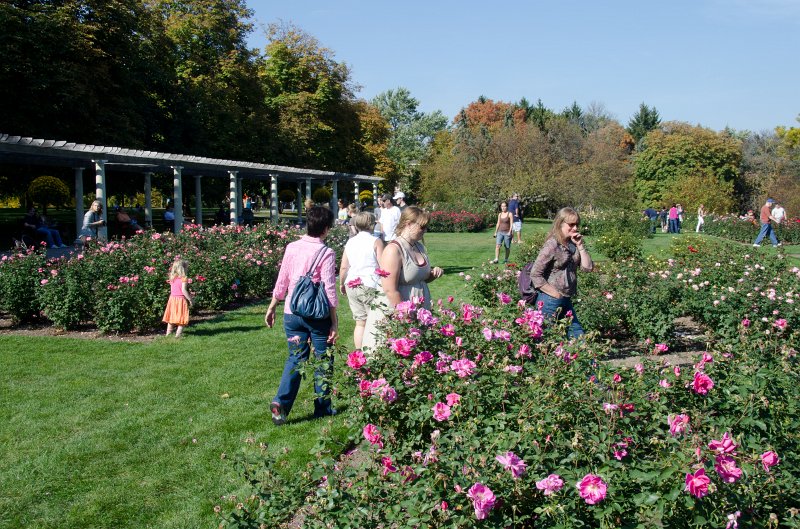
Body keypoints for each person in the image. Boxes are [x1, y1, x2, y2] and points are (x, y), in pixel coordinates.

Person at [265, 206, 338, 425]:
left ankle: (281, 403)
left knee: (296, 358)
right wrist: (334, 322)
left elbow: (282, 279)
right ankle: (323, 407)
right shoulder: (327, 252)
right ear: (326, 228)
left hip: (292, 312)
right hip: (317, 315)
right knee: (323, 359)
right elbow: (329, 289)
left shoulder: (292, 247)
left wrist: (272, 305)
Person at [530, 207, 594, 339]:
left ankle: (587, 360)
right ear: (560, 224)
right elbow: (535, 274)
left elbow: (587, 268)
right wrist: (555, 294)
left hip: (566, 299)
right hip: (549, 300)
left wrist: (580, 246)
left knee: (578, 336)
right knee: (546, 339)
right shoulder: (552, 244)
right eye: (571, 224)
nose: (575, 228)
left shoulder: (573, 244)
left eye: (577, 224)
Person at [379, 206, 443, 310]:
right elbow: (390, 290)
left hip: (420, 309)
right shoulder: (393, 250)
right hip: (400, 311)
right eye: (422, 227)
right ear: (408, 224)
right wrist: (406, 315)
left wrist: (433, 274)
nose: (425, 230)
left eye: (427, 227)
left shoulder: (419, 247)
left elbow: (420, 279)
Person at [339, 212, 384, 349]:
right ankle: (374, 352)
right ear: (372, 224)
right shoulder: (376, 241)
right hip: (370, 283)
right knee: (375, 321)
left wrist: (341, 283)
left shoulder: (351, 241)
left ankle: (359, 353)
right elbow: (383, 266)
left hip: (351, 283)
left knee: (360, 322)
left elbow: (344, 267)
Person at [162, 259, 193, 338]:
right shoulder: (184, 278)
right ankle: (177, 336)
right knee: (182, 319)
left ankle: (167, 335)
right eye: (186, 267)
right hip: (181, 300)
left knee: (171, 318)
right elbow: (183, 290)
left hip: (172, 299)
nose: (187, 269)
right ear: (183, 268)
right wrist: (190, 299)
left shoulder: (172, 277)